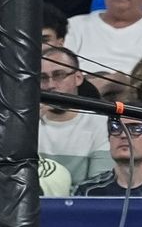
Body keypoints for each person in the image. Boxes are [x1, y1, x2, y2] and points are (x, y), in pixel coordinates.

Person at [38, 45, 113, 188]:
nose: (50, 85)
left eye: (59, 75)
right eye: (43, 78)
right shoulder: (25, 125)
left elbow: (99, 184)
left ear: (78, 78)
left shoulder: (100, 123)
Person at [74, 115, 142, 196]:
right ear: (109, 140)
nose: (123, 135)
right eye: (116, 128)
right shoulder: (87, 192)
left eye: (135, 129)